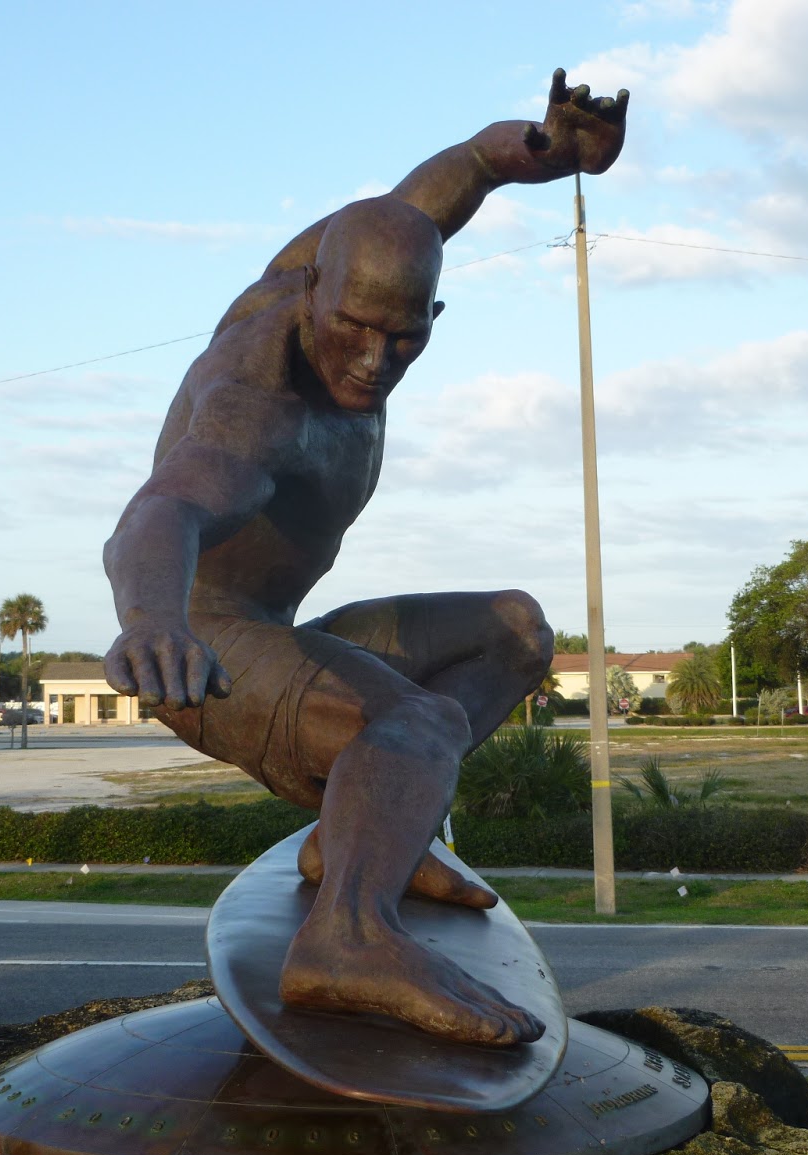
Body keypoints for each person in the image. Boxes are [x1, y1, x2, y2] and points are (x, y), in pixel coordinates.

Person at [103, 70, 627, 1047]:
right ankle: (345, 937)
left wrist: (543, 153)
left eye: (402, 338)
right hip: (205, 649)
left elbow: (460, 172)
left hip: (275, 632)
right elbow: (164, 508)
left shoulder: (357, 263)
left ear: (433, 318)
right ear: (310, 289)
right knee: (419, 719)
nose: (372, 364)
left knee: (514, 632)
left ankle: (369, 836)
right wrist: (152, 619)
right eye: (352, 330)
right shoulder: (258, 399)